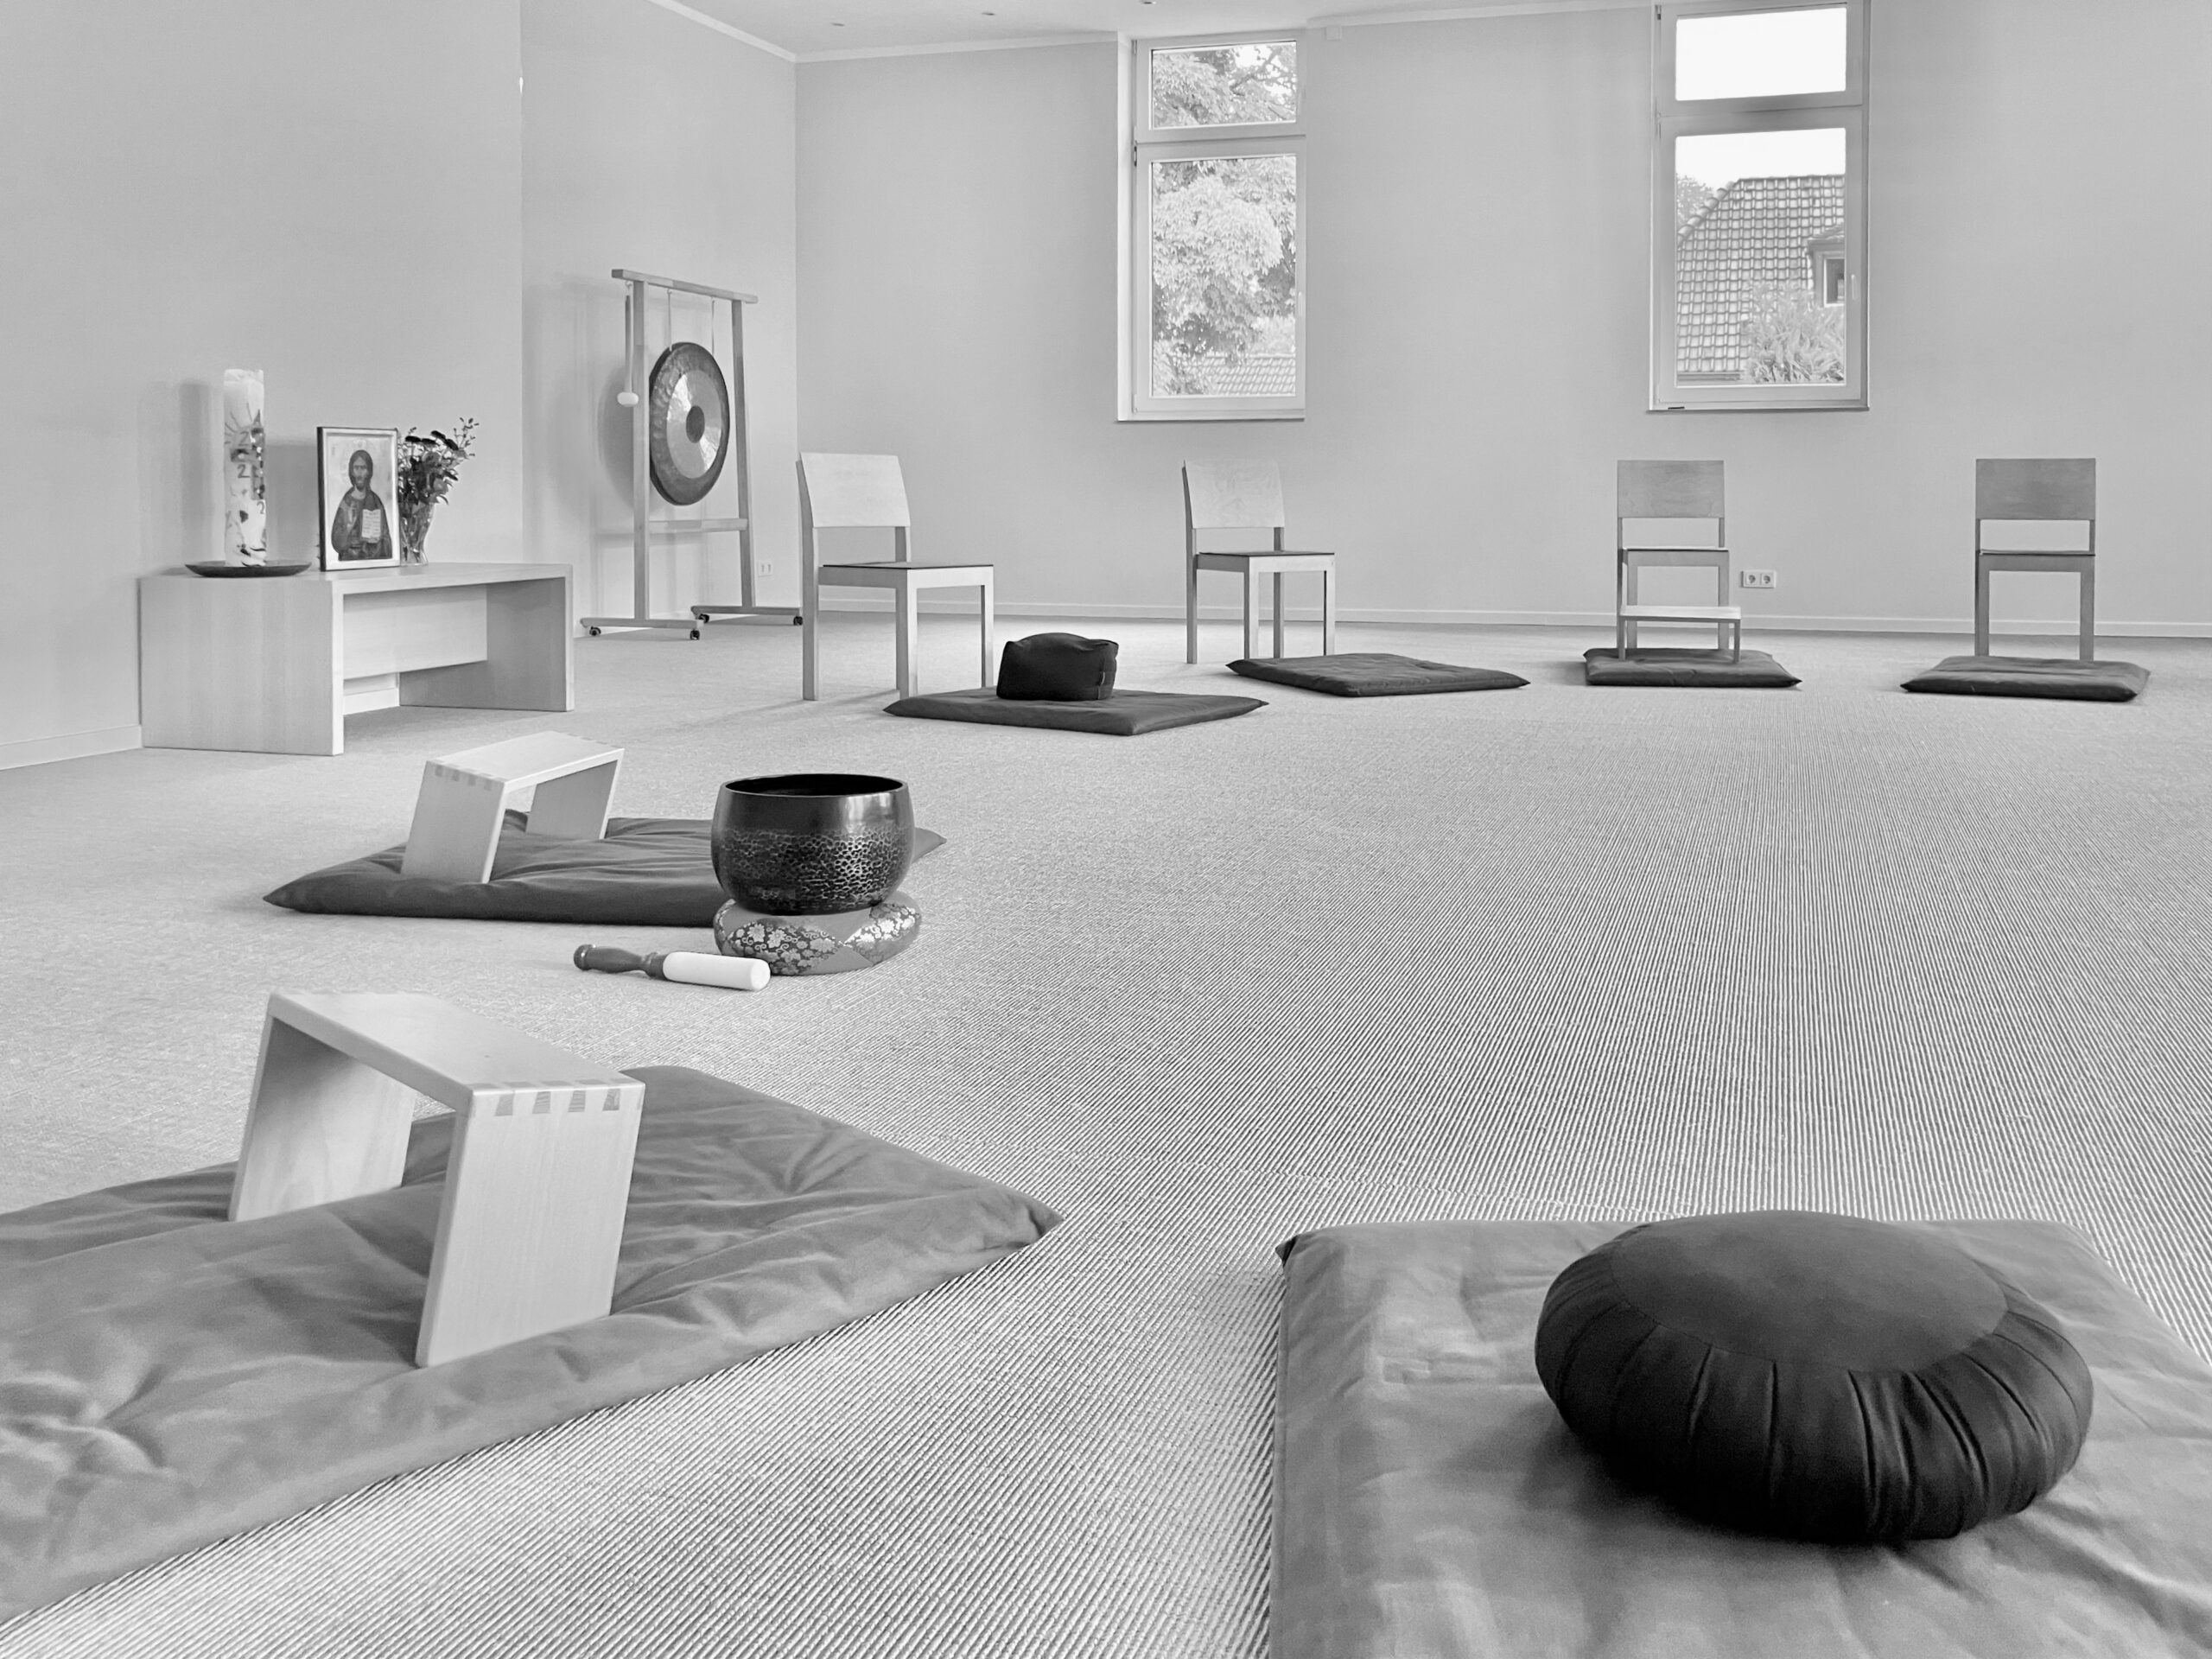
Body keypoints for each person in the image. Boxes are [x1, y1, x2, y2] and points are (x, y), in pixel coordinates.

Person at [328, 447, 391, 562]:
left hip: (372, 561)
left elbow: (386, 538)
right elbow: (337, 541)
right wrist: (348, 526)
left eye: (363, 468)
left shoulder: (375, 501)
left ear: (369, 471)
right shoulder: (347, 502)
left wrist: (378, 539)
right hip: (350, 560)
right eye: (356, 468)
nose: (359, 473)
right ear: (351, 471)